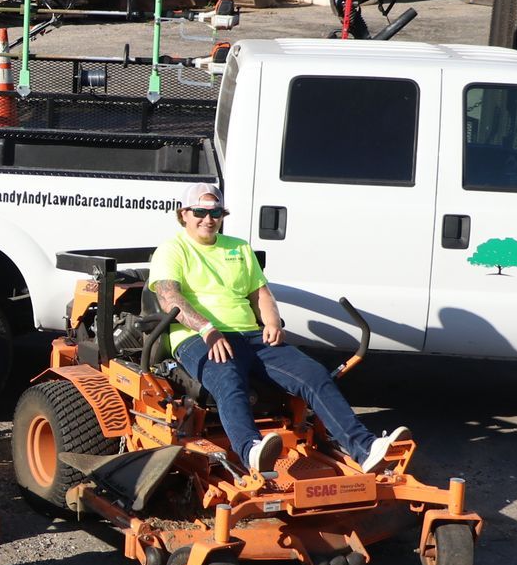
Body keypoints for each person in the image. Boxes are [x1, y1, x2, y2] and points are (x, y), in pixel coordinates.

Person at [150, 182, 408, 474]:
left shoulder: (239, 248)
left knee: (313, 373)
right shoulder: (172, 249)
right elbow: (168, 296)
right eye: (200, 211)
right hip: (199, 337)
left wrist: (272, 321)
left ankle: (366, 448)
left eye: (216, 212)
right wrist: (208, 329)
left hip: (250, 335)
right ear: (184, 214)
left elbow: (261, 294)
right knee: (228, 378)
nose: (209, 219)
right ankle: (251, 450)